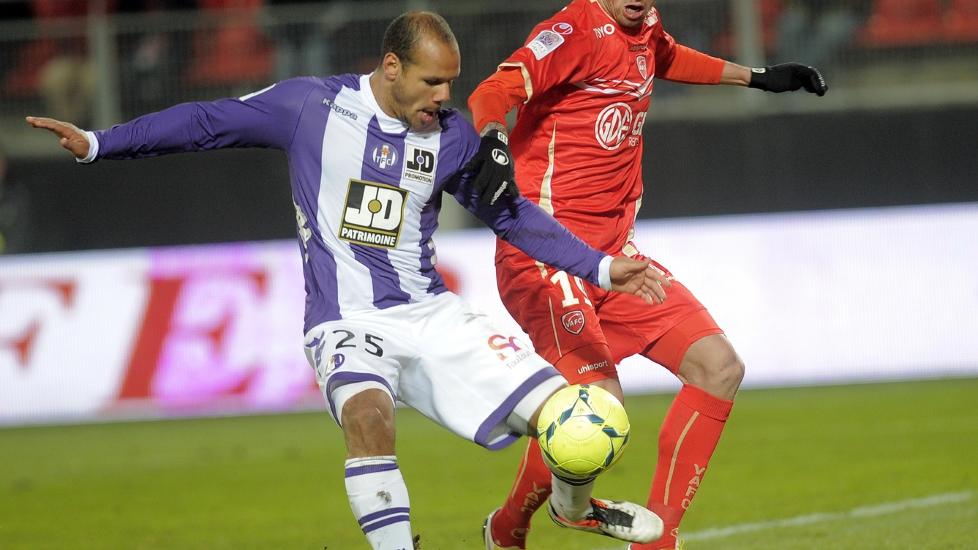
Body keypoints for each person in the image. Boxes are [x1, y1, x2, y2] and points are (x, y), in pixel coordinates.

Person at [27, 11, 674, 550]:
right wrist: (99, 143)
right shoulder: (310, 107)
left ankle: (572, 509)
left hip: (431, 315)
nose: (444, 96)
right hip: (347, 320)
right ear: (392, 67)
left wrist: (600, 266)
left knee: (575, 419)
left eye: (450, 82)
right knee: (368, 418)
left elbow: (510, 215)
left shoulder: (451, 137)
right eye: (432, 81)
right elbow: (206, 122)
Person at [466, 1, 828, 549]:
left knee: (718, 367)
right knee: (598, 406)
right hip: (546, 255)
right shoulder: (571, 32)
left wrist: (757, 77)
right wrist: (494, 139)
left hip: (616, 259)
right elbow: (493, 90)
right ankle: (542, 517)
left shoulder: (646, 24)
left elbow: (667, 56)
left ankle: (649, 540)